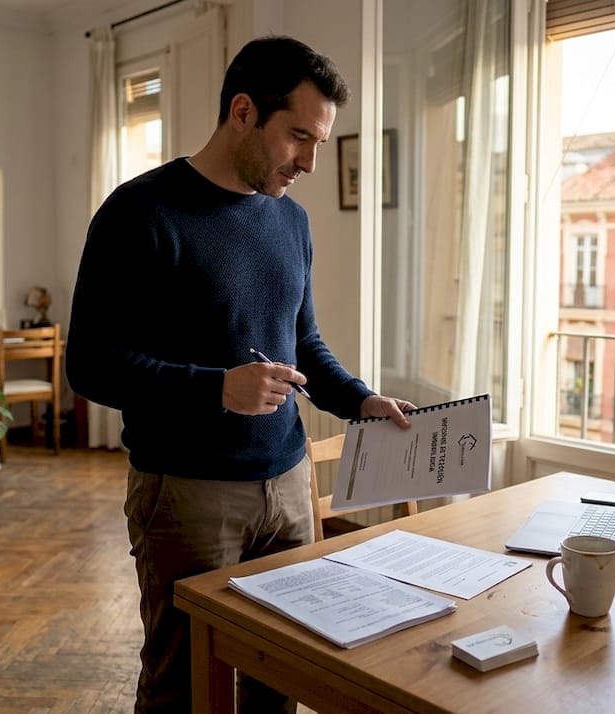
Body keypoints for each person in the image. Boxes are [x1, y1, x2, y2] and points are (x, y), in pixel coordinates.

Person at [66, 35, 415, 714]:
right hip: (187, 495)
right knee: (181, 684)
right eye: (298, 138)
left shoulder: (292, 220)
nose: (311, 162)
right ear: (244, 112)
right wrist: (213, 387)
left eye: (319, 142)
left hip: (288, 487)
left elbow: (303, 341)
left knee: (280, 678)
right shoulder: (139, 213)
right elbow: (90, 363)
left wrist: (360, 401)